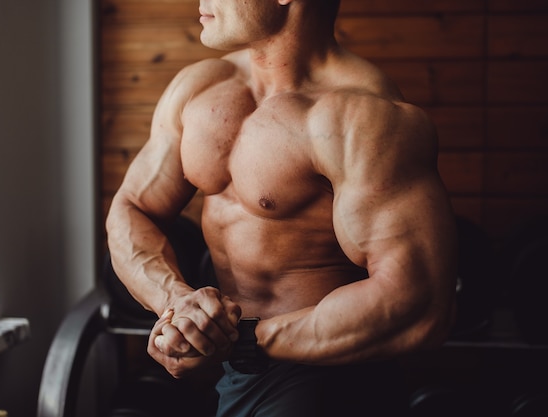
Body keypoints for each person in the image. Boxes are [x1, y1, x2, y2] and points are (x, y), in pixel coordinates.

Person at [106, 0, 458, 415]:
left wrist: (241, 339)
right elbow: (132, 208)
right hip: (235, 370)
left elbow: (418, 300)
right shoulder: (200, 88)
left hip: (325, 382)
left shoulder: (362, 117)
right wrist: (177, 304)